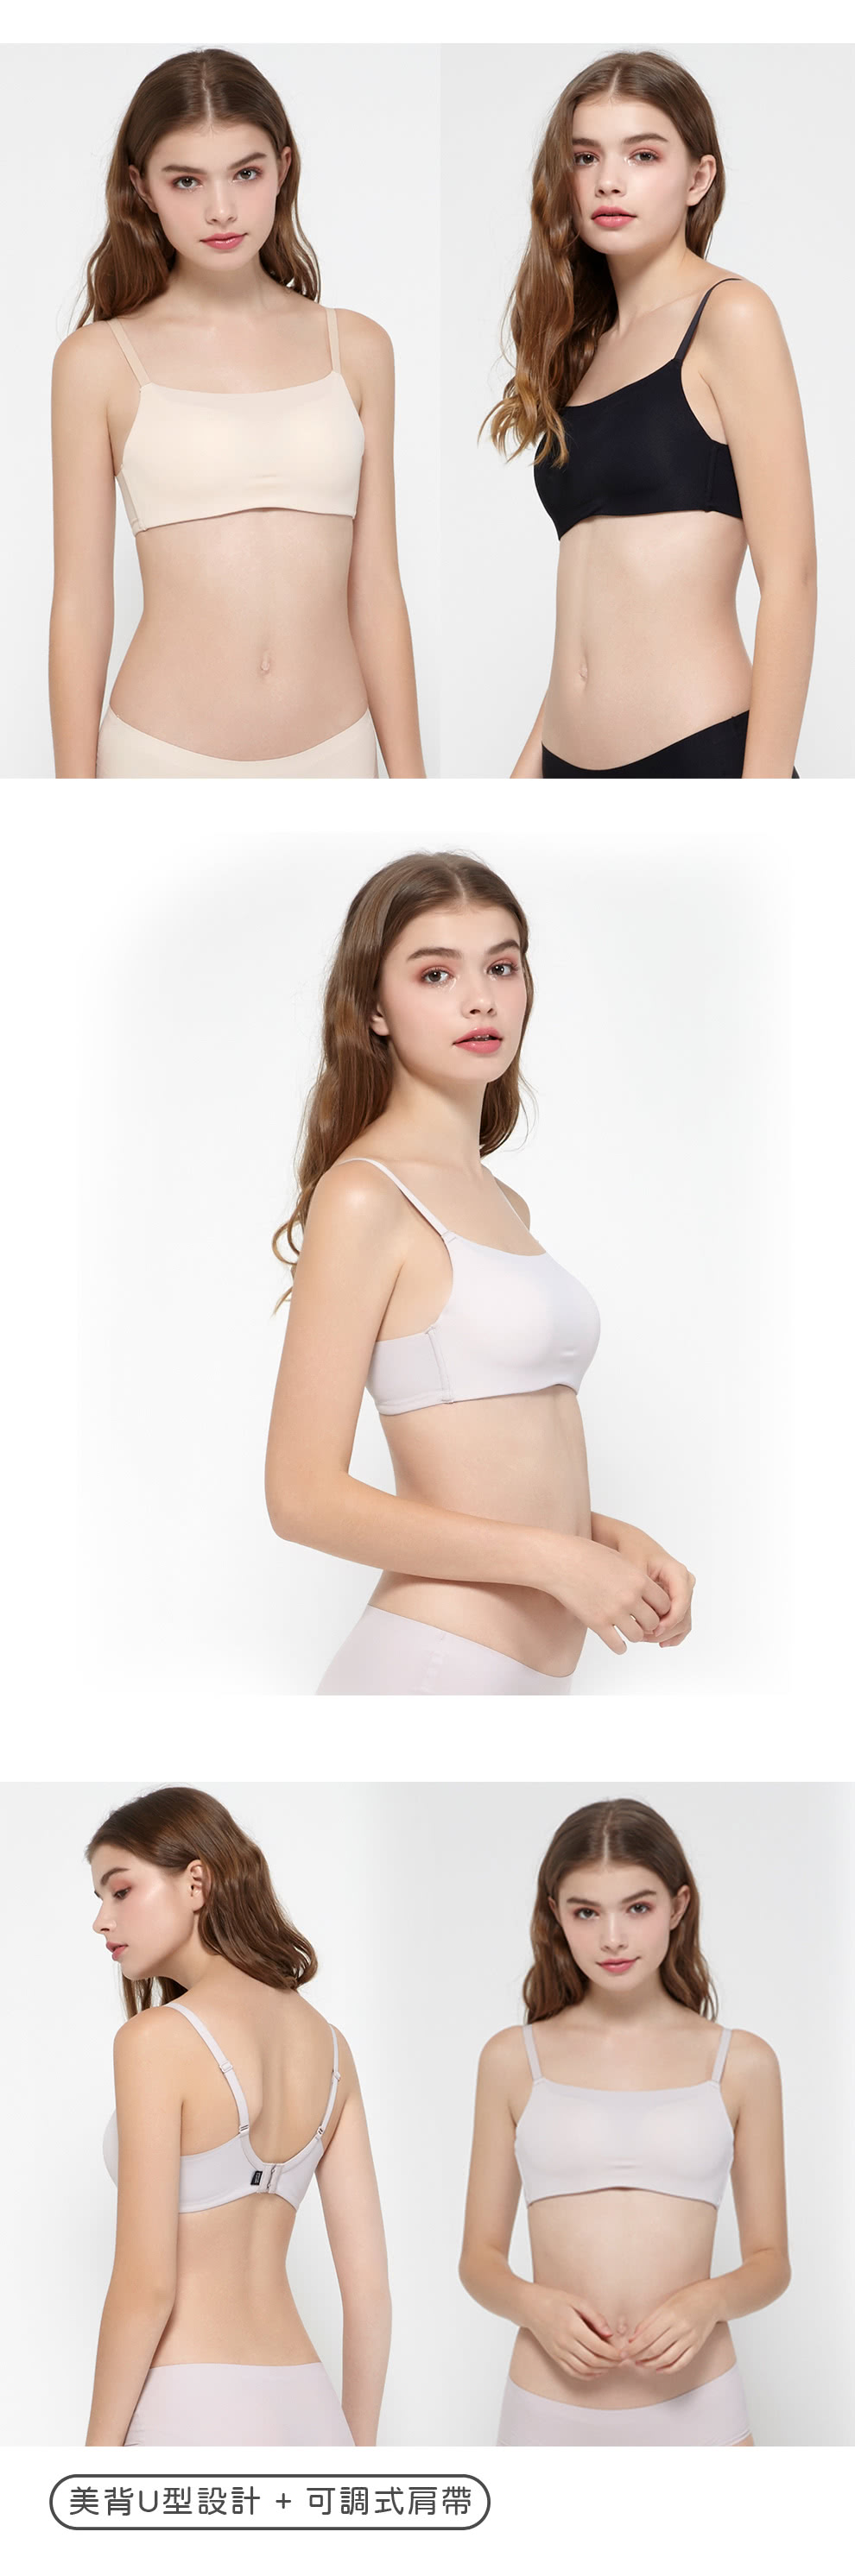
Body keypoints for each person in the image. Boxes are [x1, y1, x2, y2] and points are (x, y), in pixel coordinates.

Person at [265, 853, 694, 1695]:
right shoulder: (367, 1195)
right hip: (433, 1667)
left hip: (515, 1681)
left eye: (502, 966)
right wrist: (557, 1560)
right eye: (436, 973)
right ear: (374, 1008)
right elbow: (301, 1495)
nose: (481, 1000)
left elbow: (493, 1467)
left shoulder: (503, 1203)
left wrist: (606, 1541)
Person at [50, 48, 424, 779]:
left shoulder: (357, 348)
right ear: (142, 187)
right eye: (186, 180)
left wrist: (412, 783)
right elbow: (80, 605)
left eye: (245, 174)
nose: (220, 209)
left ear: (283, 169)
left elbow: (377, 587)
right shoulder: (97, 362)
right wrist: (73, 801)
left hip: (337, 754)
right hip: (160, 758)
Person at [489, 51, 814, 779]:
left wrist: (762, 805)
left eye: (643, 155)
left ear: (699, 178)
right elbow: (595, 594)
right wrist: (527, 773)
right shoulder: (580, 346)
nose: (609, 180)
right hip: (563, 762)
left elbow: (791, 578)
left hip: (698, 754)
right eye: (586, 157)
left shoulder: (731, 316)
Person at [459, 1797, 789, 2444]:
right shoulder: (513, 2060)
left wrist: (709, 2301)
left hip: (702, 2407)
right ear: (556, 1914)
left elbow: (771, 2261)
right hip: (546, 2409)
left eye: (637, 1908)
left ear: (678, 1906)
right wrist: (534, 2306)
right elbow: (479, 2260)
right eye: (586, 1912)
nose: (612, 1937)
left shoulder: (741, 2063)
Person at [86, 1785, 390, 2444]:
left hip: (192, 2405)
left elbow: (146, 2289)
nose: (102, 1921)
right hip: (309, 2405)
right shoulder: (332, 2048)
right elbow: (369, 2292)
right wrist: (358, 2456)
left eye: (121, 1890)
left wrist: (92, 2460)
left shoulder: (155, 2040)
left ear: (196, 1882)